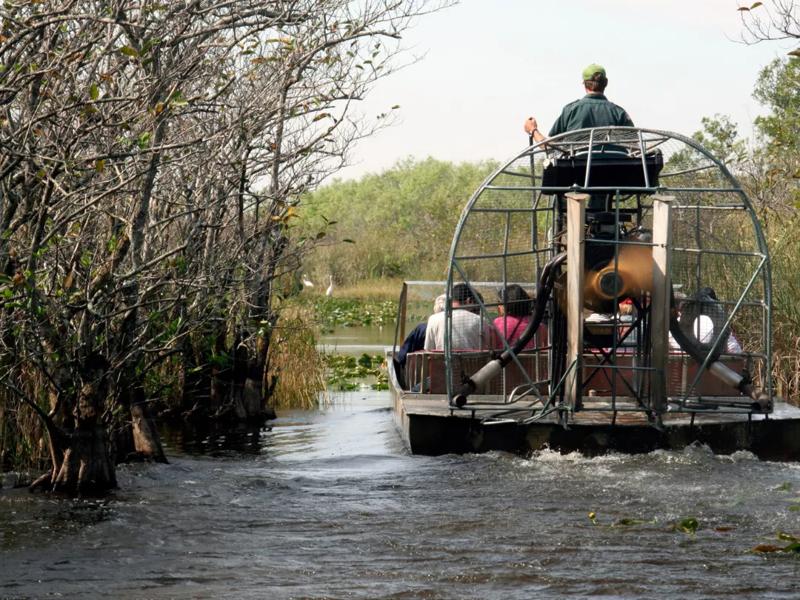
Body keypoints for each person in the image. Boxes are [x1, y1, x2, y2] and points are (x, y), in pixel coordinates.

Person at [523, 63, 633, 143]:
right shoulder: (619, 113)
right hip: (616, 173)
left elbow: (550, 147)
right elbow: (635, 145)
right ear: (606, 83)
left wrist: (533, 130)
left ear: (584, 84)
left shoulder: (570, 110)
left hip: (576, 173)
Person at [424, 283, 486, 350]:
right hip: (473, 360)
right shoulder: (481, 320)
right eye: (477, 309)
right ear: (469, 301)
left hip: (442, 360)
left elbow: (428, 350)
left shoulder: (434, 319)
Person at [492, 284, 543, 350]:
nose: (498, 306)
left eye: (499, 302)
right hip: (533, 360)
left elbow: (493, 348)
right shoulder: (537, 324)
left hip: (505, 359)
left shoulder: (496, 323)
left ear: (505, 305)